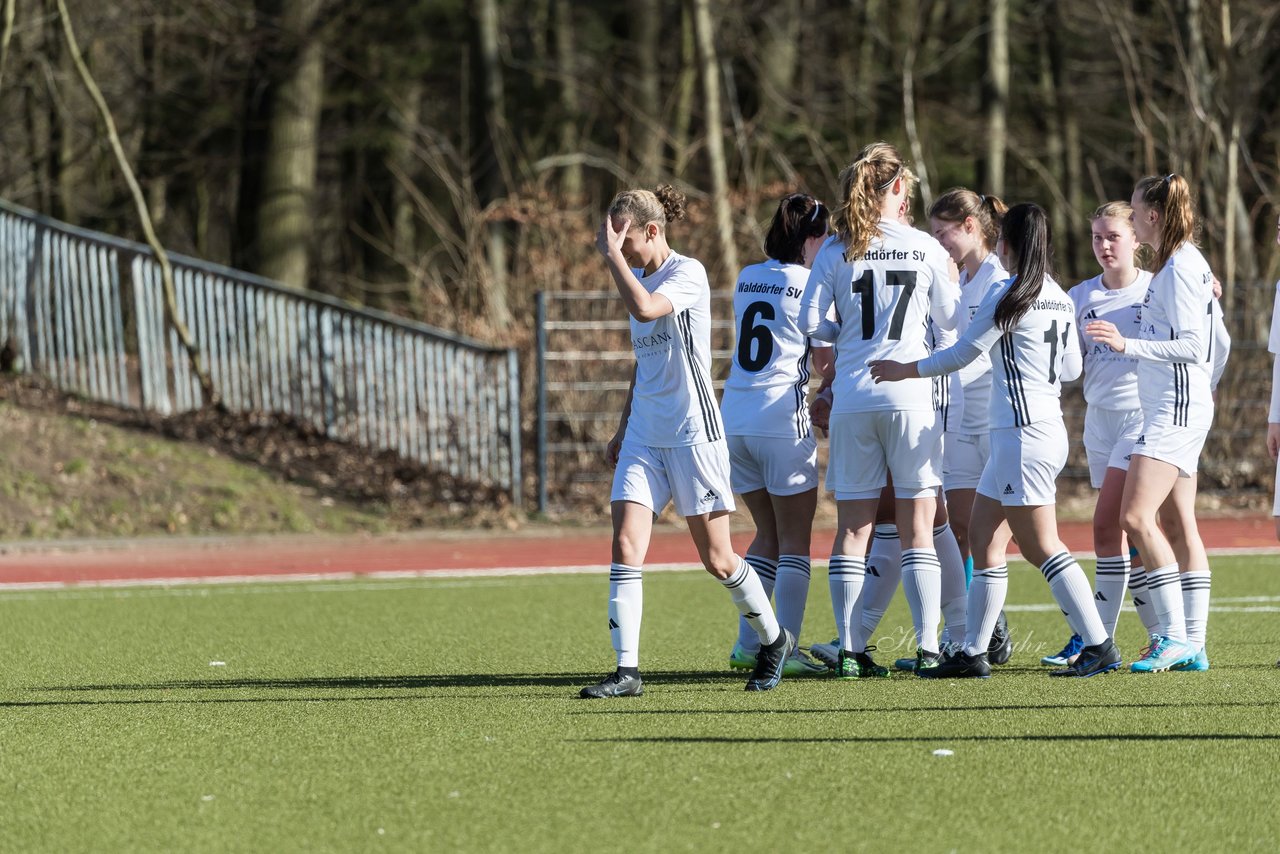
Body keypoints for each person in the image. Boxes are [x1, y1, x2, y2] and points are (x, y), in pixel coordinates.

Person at [871, 202, 1122, 678]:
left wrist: (905, 369)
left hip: (1020, 436)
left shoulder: (1011, 293)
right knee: (985, 540)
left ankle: (1099, 644)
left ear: (1010, 242)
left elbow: (965, 352)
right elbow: (1070, 368)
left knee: (1041, 546)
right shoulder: (1055, 294)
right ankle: (973, 652)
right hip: (1041, 430)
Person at [581, 184, 795, 699]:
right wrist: (623, 425)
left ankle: (773, 639)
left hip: (695, 434)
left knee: (718, 559)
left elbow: (647, 312)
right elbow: (645, 361)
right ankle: (627, 671)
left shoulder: (688, 273)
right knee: (626, 543)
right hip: (645, 437)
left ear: (652, 231)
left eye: (624, 240)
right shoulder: (640, 276)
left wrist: (613, 259)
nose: (620, 251)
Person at [799, 142, 960, 677]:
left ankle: (849, 650)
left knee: (852, 530)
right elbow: (952, 320)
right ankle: (929, 648)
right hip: (911, 397)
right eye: (907, 190)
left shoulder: (836, 249)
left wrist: (831, 356)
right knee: (919, 529)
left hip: (854, 398)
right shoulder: (923, 246)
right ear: (895, 189)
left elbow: (813, 324)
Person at [1085, 174, 1219, 673]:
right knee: (1177, 524)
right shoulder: (1184, 265)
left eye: (1137, 212)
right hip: (1180, 406)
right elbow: (1214, 346)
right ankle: (1194, 644)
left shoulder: (1181, 268)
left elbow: (1194, 346)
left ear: (1153, 216)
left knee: (1134, 519)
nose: (1133, 221)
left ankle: (1176, 637)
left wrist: (1127, 345)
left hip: (1174, 410)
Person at [721, 193, 834, 677]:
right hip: (779, 421)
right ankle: (783, 648)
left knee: (765, 533)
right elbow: (824, 359)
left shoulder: (749, 277)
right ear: (812, 238)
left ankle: (752, 643)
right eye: (824, 235)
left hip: (734, 417)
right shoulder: (812, 284)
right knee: (794, 541)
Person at [1044, 202, 1158, 666]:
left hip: (1141, 419)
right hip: (1099, 421)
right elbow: (1068, 363)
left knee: (1108, 525)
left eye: (1113, 236)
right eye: (1096, 237)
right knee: (1118, 536)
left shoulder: (1155, 289)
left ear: (1135, 240)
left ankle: (1100, 640)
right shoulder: (1079, 297)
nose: (1104, 245)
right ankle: (1109, 639)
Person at [926, 187, 1015, 666]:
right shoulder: (957, 278)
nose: (940, 243)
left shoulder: (1002, 281)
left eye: (944, 233)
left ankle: (990, 631)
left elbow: (975, 355)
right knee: (958, 525)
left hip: (997, 420)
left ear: (970, 226)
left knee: (998, 535)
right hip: (959, 416)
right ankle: (971, 631)